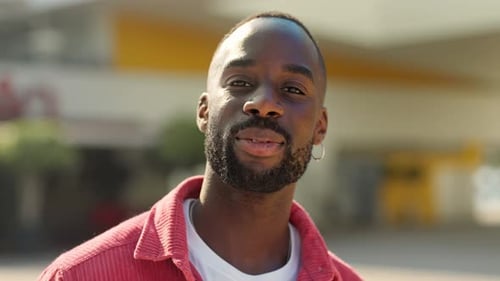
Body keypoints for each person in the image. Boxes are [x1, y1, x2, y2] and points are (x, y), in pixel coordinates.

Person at [38, 11, 363, 281]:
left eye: (293, 88)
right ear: (204, 112)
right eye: (240, 83)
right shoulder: (80, 276)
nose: (263, 104)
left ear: (320, 127)